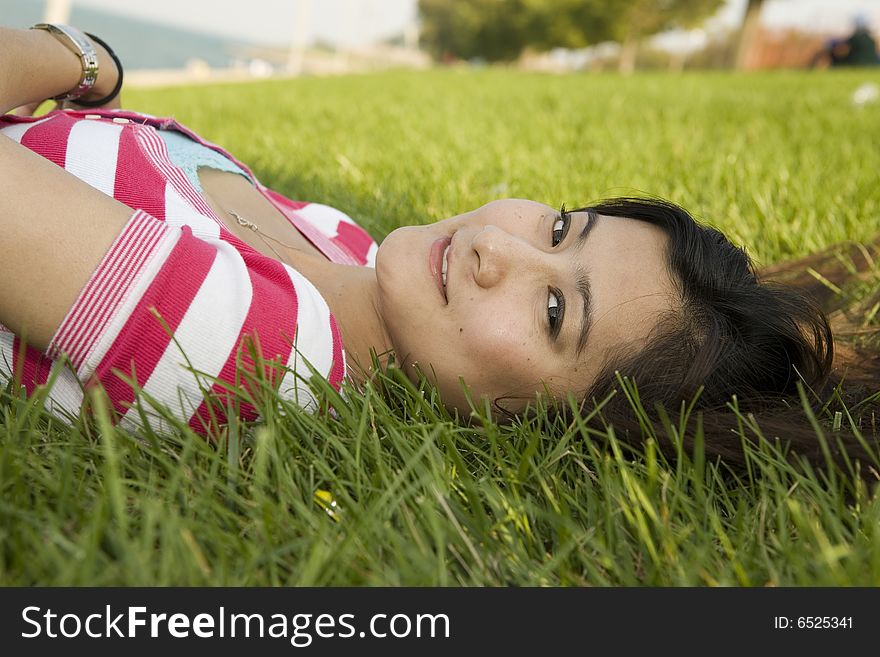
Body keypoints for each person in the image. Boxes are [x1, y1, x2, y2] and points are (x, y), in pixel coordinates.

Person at [0, 25, 875, 474]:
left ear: (530, 420)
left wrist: (78, 56)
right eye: (561, 226)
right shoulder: (349, 248)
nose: (499, 245)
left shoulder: (246, 342)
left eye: (555, 310)